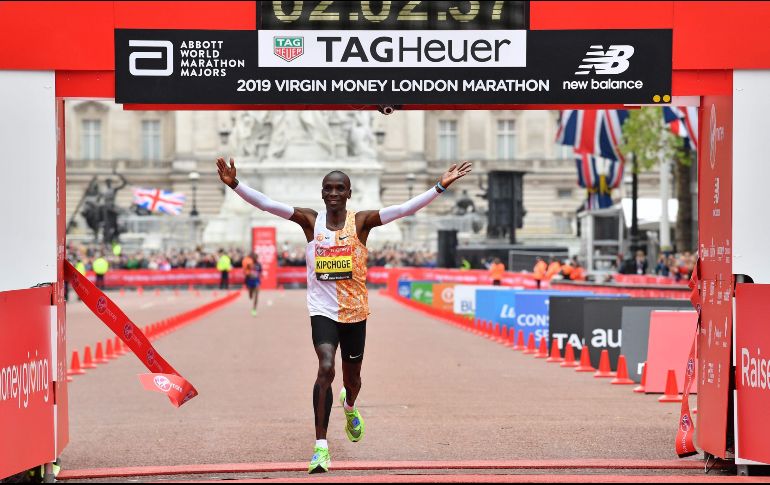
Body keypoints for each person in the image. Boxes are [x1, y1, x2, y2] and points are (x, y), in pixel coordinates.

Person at [217, 157, 472, 474]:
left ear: (349, 193)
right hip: (322, 311)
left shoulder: (362, 222)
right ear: (322, 193)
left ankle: (349, 406)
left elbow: (405, 209)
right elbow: (268, 205)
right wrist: (236, 185)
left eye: (340, 188)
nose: (334, 193)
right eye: (329, 188)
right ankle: (321, 448)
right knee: (325, 367)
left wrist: (439, 186)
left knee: (353, 380)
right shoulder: (311, 222)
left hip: (354, 313)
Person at [241, 252, 262, 317]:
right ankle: (250, 293)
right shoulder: (248, 263)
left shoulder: (259, 264)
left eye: (257, 257)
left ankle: (254, 309)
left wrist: (258, 275)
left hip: (256, 280)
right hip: (249, 280)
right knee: (250, 295)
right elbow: (245, 271)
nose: (256, 258)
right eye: (254, 257)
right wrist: (249, 274)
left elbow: (260, 271)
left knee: (257, 295)